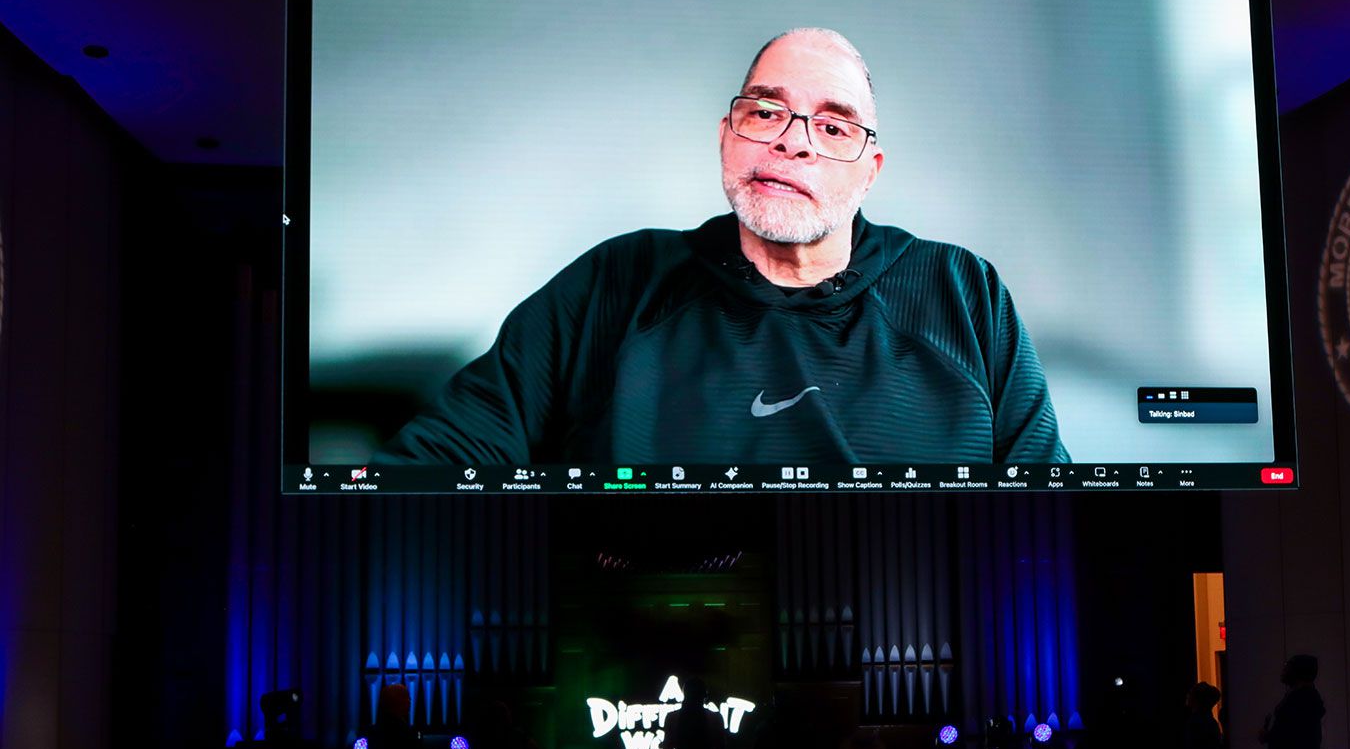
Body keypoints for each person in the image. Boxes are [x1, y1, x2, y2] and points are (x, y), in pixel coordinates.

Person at [377, 27, 1067, 466]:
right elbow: (438, 462)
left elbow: (1056, 515)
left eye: (834, 127)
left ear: (870, 170)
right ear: (728, 137)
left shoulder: (962, 293)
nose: (792, 139)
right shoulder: (616, 284)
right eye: (766, 111)